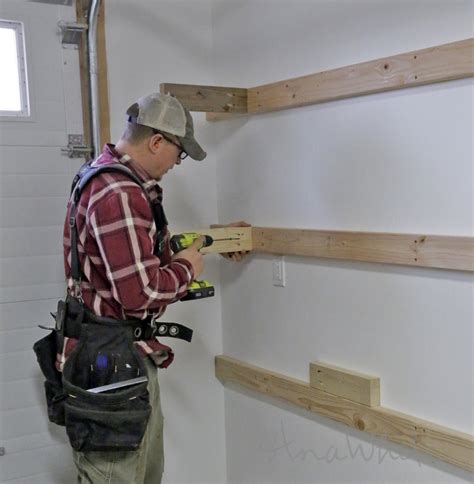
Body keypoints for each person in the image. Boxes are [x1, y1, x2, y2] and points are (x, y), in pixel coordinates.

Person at [59, 92, 248, 483]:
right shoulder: (120, 194)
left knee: (143, 472)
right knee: (117, 475)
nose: (177, 165)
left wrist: (185, 248)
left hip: (114, 354)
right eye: (179, 154)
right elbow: (138, 294)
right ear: (157, 141)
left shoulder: (101, 174)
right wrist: (183, 268)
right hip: (112, 363)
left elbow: (124, 256)